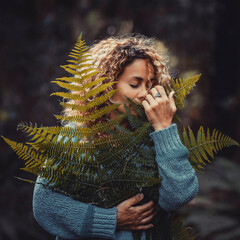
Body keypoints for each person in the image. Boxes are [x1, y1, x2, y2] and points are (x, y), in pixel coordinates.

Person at [33, 34, 198, 240]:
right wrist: (111, 219)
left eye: (149, 84)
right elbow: (44, 203)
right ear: (107, 86)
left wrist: (164, 128)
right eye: (135, 84)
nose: (144, 93)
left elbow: (179, 196)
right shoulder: (80, 135)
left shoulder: (155, 137)